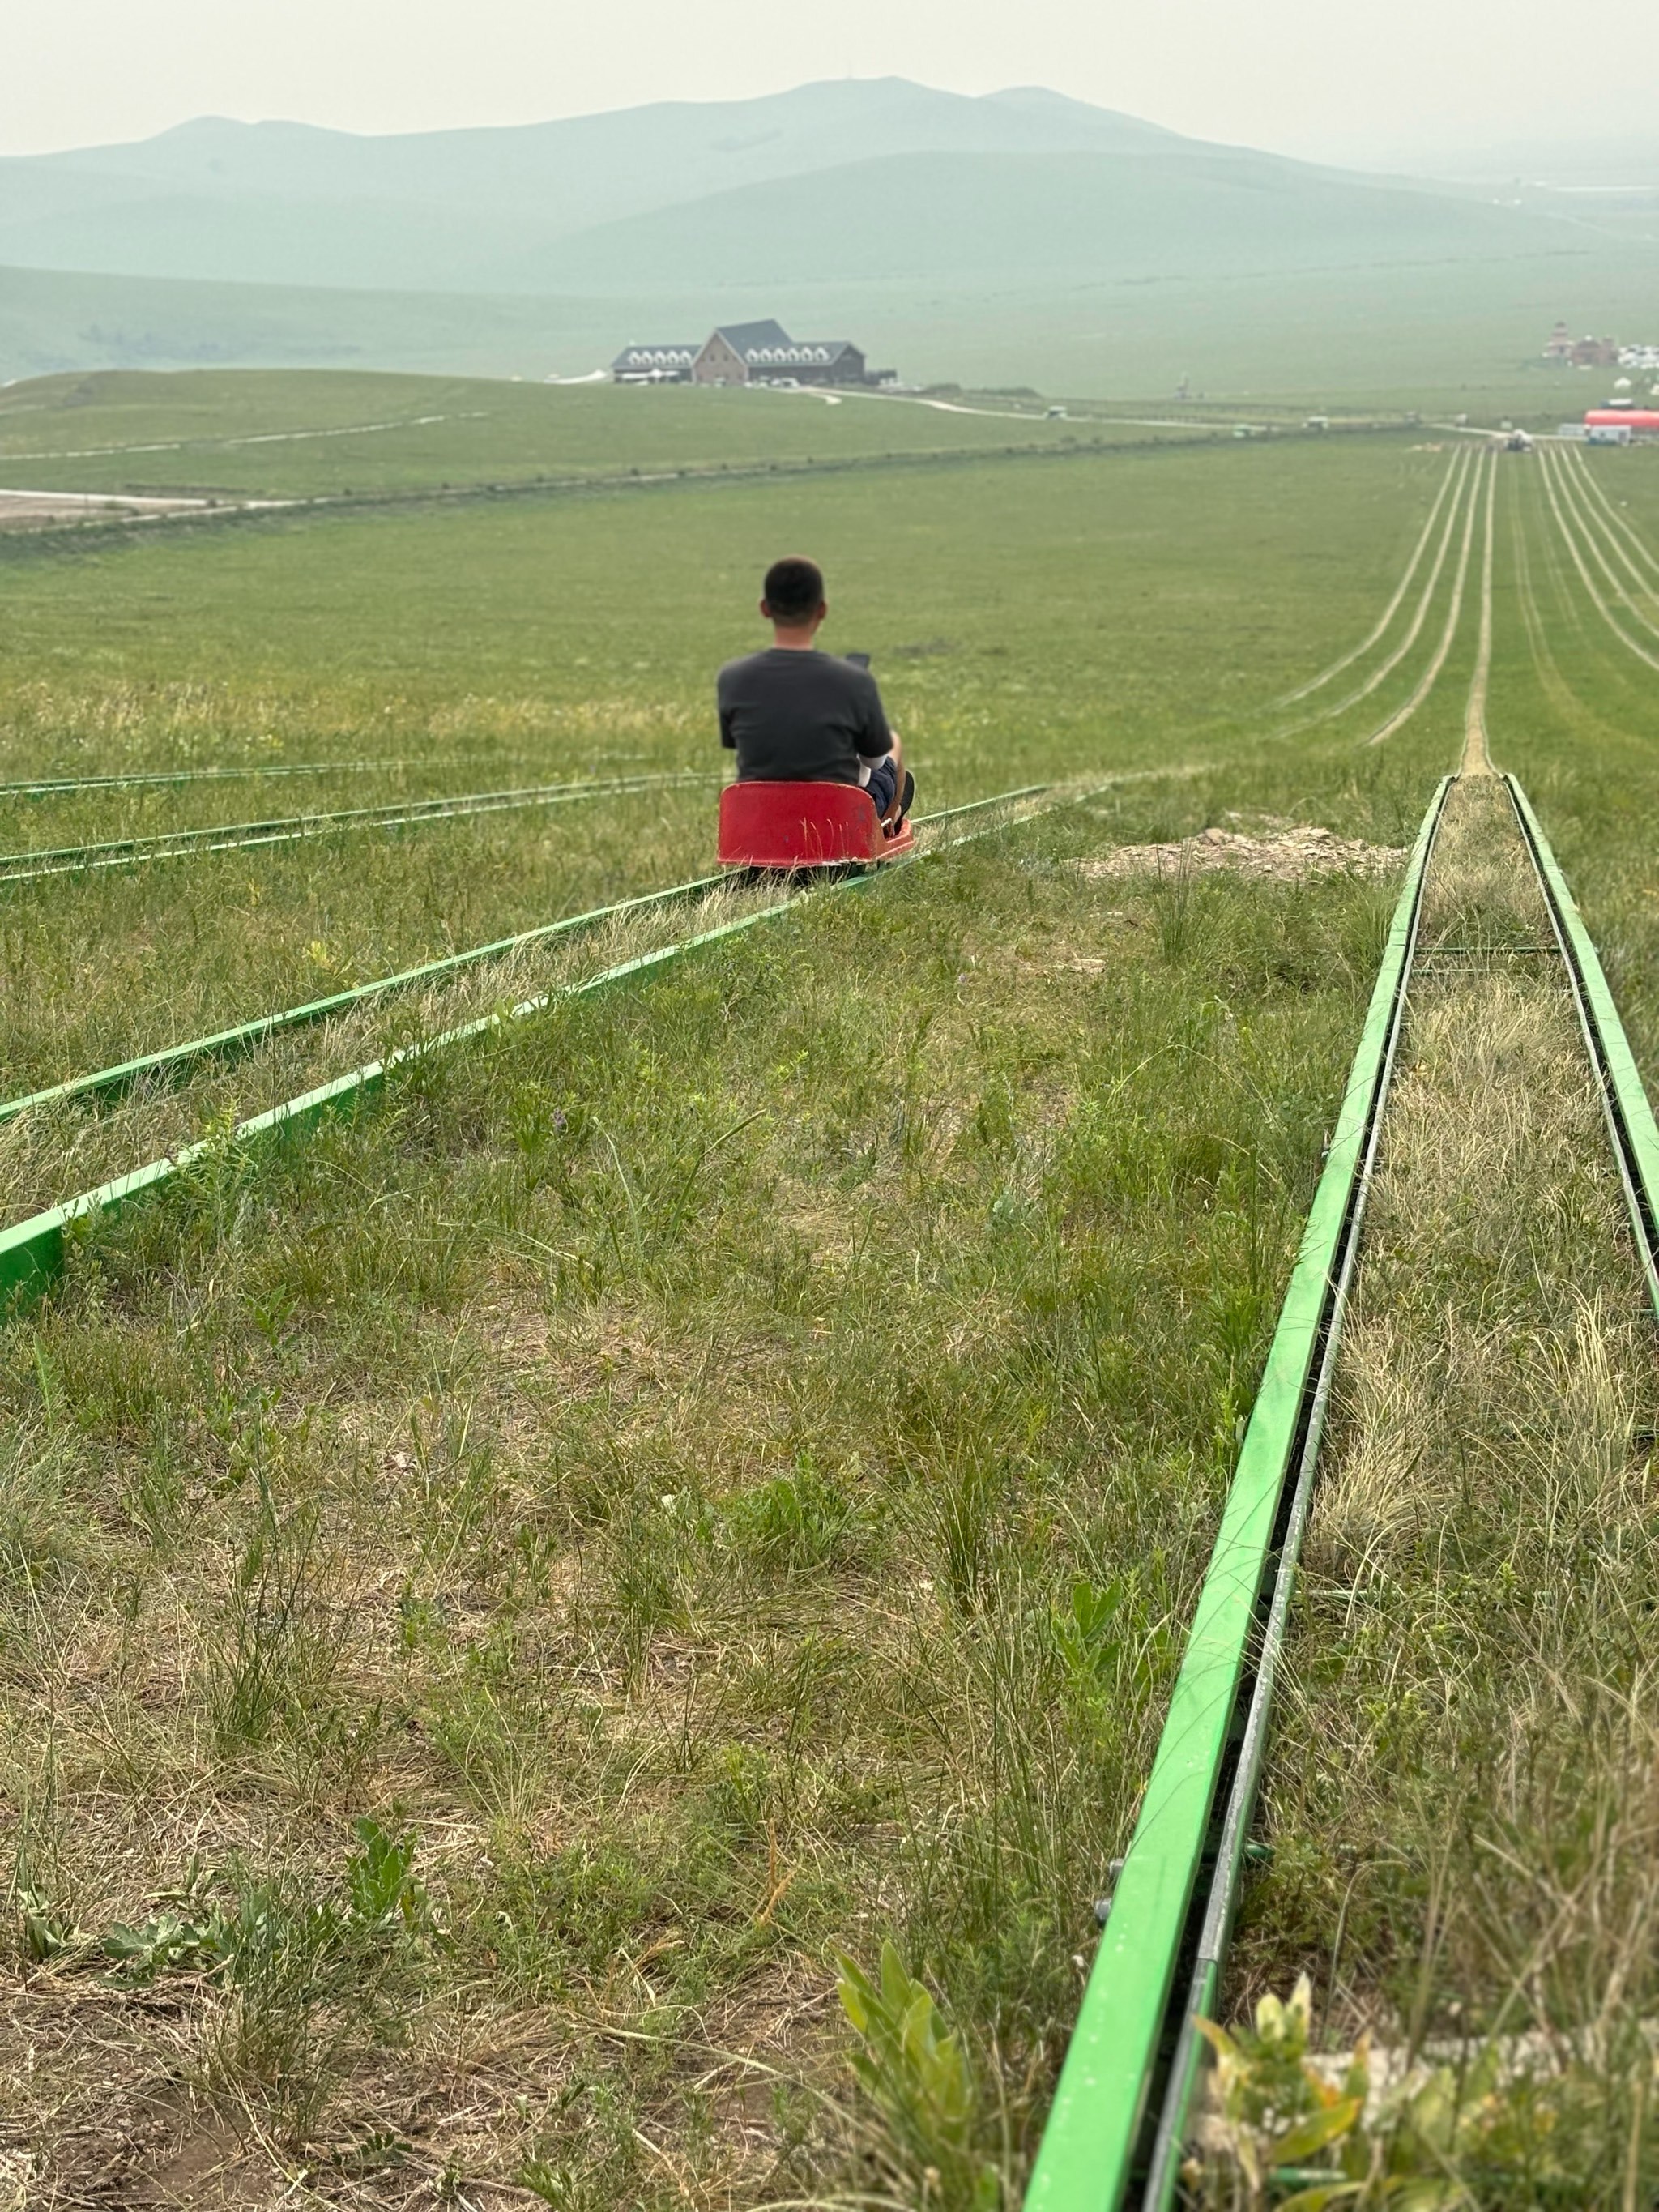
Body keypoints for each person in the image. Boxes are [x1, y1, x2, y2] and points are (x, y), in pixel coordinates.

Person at [717, 556, 913, 831]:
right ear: (821, 610)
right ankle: (886, 826)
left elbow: (739, 744)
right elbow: (874, 761)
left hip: (765, 814)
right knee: (893, 744)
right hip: (840, 816)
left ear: (765, 608)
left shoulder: (732, 678)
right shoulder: (855, 681)